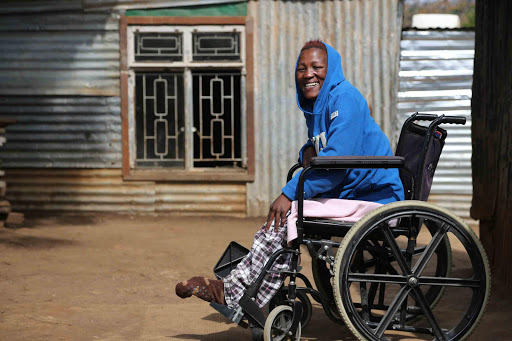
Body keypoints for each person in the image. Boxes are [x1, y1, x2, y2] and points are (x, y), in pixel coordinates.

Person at [175, 40, 404, 309]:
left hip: (376, 197)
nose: (308, 74)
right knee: (285, 216)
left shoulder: (345, 99)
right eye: (301, 68)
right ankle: (239, 285)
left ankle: (240, 293)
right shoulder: (319, 104)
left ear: (331, 70)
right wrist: (308, 149)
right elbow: (324, 147)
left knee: (287, 214)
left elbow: (336, 164)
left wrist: (289, 192)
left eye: (317, 67)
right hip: (351, 190)